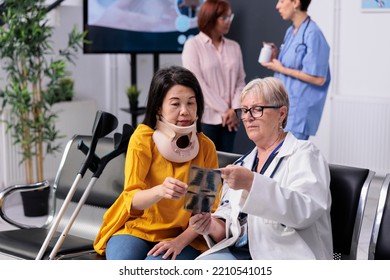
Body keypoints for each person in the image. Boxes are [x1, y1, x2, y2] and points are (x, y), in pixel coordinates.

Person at [189, 77, 333, 259]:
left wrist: (252, 182)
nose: (248, 117)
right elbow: (230, 224)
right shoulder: (244, 163)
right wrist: (209, 225)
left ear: (281, 114)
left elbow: (304, 211)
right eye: (245, 110)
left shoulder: (305, 154)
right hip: (242, 253)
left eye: (257, 109)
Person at [93, 65, 220, 260]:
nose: (185, 111)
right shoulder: (143, 139)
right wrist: (160, 191)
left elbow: (202, 211)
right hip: (138, 228)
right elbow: (132, 197)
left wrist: (179, 242)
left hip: (183, 235)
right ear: (159, 107)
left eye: (191, 103)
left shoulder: (205, 147)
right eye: (175, 104)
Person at [260, 0, 331, 140]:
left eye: (281, 1)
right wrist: (277, 59)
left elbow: (319, 78)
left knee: (292, 158)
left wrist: (282, 69)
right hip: (285, 106)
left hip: (299, 111)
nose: (277, 6)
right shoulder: (291, 31)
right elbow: (291, 64)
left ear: (296, 3)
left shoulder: (313, 33)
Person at [182, 0, 246, 152]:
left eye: (230, 17)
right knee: (206, 169)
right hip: (207, 119)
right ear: (210, 18)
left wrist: (234, 109)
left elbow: (240, 81)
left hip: (230, 120)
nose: (228, 22)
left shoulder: (234, 47)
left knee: (227, 167)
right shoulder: (193, 46)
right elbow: (197, 84)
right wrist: (225, 110)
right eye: (224, 18)